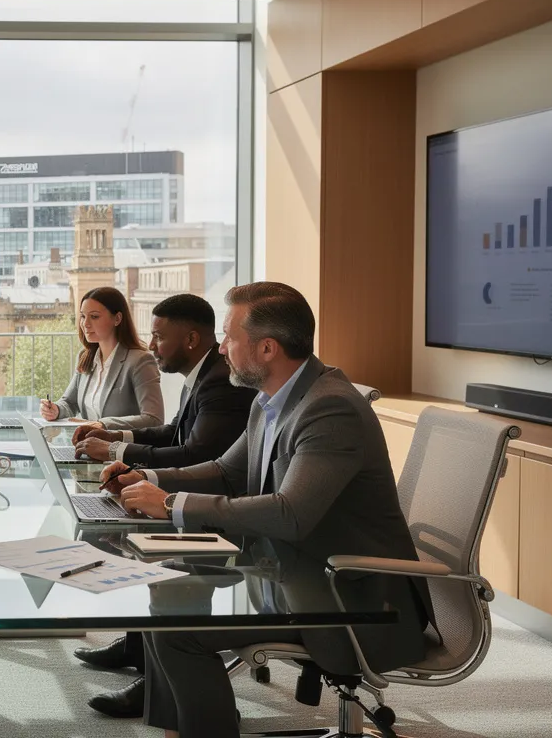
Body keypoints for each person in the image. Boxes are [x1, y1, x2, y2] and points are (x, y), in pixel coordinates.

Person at [98, 282, 434, 738]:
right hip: (297, 573)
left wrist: (173, 503)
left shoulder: (329, 408)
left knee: (178, 630)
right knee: (170, 589)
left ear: (268, 348)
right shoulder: (271, 398)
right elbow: (226, 470)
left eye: (230, 337)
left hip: (355, 602)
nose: (221, 347)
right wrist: (149, 479)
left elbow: (289, 513)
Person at [67, 293, 257, 718]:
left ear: (190, 339)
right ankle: (143, 646)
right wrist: (122, 448)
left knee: (142, 545)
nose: (151, 346)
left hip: (229, 514)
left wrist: (123, 456)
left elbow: (195, 452)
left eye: (158, 337)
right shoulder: (204, 373)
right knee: (126, 529)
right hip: (210, 493)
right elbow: (174, 432)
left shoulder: (221, 380)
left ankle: (159, 678)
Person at [39, 286, 163, 430]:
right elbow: (70, 403)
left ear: (117, 318)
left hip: (120, 449)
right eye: (83, 316)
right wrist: (55, 410)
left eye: (94, 316)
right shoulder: (86, 357)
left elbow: (154, 419)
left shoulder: (140, 361)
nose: (85, 323)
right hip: (88, 446)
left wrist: (103, 424)